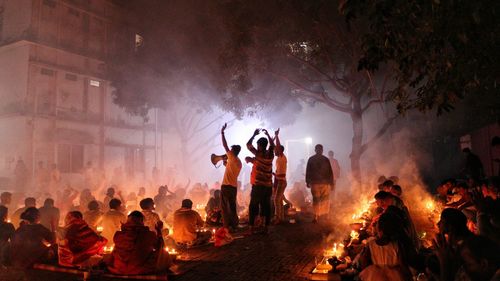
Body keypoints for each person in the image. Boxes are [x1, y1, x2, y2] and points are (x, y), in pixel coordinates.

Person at [106, 211, 171, 275]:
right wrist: (159, 230)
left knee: (115, 250)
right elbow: (160, 247)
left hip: (119, 268)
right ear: (142, 221)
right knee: (162, 253)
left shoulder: (119, 235)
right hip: (139, 269)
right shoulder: (148, 234)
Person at [358, 212, 415, 281]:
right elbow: (402, 264)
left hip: (376, 277)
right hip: (395, 276)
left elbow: (364, 262)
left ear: (379, 229)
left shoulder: (371, 244)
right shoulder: (396, 244)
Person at [247, 128, 275, 233]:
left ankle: (251, 227)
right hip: (268, 186)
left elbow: (248, 145)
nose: (257, 147)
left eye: (258, 145)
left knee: (253, 206)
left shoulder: (258, 154)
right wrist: (268, 135)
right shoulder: (270, 155)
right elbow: (272, 146)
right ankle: (265, 227)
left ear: (259, 146)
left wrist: (254, 135)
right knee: (266, 206)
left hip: (258, 185)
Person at [220, 123, 242, 231]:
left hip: (226, 186)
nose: (230, 150)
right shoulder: (238, 162)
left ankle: (226, 226)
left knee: (224, 207)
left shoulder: (232, 157)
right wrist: (225, 163)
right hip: (233, 187)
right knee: (232, 206)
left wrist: (222, 132)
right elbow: (230, 168)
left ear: (233, 151)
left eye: (231, 149)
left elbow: (225, 145)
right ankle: (235, 225)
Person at [305, 144, 334, 222]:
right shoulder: (325, 159)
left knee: (317, 200)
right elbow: (330, 172)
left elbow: (308, 171)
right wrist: (331, 183)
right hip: (323, 183)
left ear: (316, 150)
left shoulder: (311, 159)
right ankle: (323, 216)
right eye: (319, 149)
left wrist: (308, 181)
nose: (319, 150)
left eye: (319, 149)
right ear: (321, 150)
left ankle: (316, 216)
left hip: (316, 183)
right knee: (325, 200)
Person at [273, 128, 288, 224]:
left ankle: (278, 218)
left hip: (281, 181)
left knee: (276, 200)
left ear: (280, 151)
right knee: (279, 200)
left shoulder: (282, 157)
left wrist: (277, 136)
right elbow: (275, 146)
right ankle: (281, 218)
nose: (274, 151)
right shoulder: (279, 158)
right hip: (280, 181)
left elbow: (282, 174)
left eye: (276, 150)